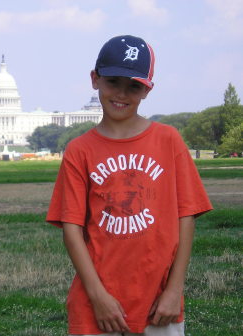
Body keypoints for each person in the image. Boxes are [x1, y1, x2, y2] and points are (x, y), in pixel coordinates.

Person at [46, 35, 213, 336]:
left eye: (133, 86)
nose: (121, 93)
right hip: (96, 306)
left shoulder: (168, 140)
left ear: (147, 89)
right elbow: (72, 229)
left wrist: (174, 290)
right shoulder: (79, 150)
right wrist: (98, 297)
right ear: (95, 79)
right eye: (113, 82)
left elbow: (185, 217)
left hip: (158, 305)